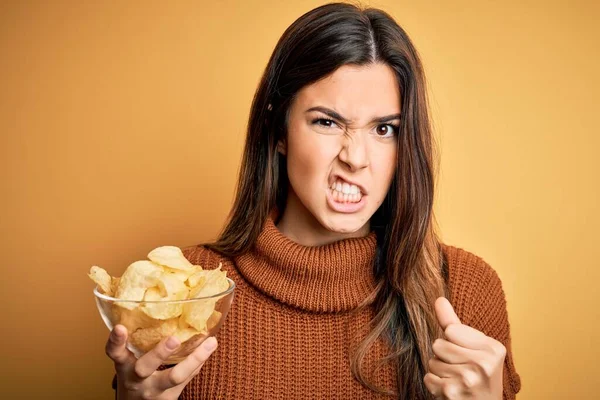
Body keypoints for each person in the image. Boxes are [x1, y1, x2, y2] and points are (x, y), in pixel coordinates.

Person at [104, 2, 521, 399]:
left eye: (384, 130)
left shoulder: (466, 290)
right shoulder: (180, 293)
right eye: (327, 122)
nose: (355, 158)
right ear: (278, 130)